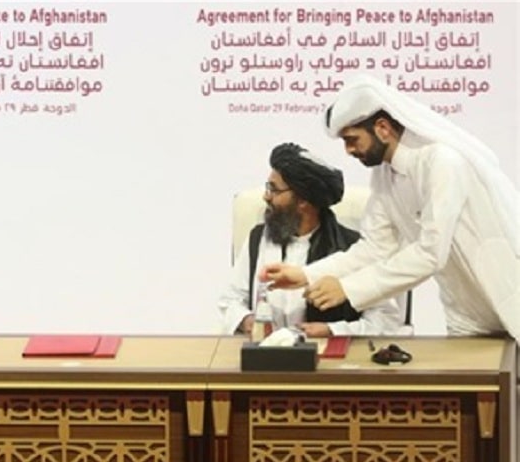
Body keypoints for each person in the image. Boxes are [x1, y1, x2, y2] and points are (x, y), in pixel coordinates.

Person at [261, 74, 519, 339]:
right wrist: (305, 274)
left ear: (382, 128)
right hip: (466, 317)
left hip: (510, 301)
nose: (348, 150)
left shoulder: (442, 162)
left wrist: (349, 289)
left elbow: (431, 252)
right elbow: (375, 247)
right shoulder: (384, 176)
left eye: (352, 139)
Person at [218, 143, 402, 337]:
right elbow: (230, 300)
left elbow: (386, 319)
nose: (266, 196)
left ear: (303, 201)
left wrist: (332, 330)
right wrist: (248, 321)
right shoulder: (258, 239)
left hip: (328, 354)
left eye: (274, 189)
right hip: (264, 351)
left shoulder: (354, 250)